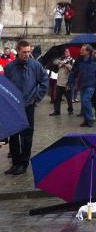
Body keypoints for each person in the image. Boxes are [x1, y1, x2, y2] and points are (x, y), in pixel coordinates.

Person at [4, 40, 49, 175]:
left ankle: (23, 163)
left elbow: (44, 81)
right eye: (24, 52)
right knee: (13, 135)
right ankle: (16, 163)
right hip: (13, 106)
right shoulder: (9, 67)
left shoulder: (35, 65)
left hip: (29, 105)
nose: (27, 54)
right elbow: (5, 85)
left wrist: (37, 97)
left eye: (29, 51)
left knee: (26, 136)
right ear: (17, 51)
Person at [50, 48, 74, 115]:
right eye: (65, 51)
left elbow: (72, 68)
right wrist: (61, 62)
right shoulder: (62, 58)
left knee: (69, 98)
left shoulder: (72, 60)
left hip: (67, 82)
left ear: (70, 52)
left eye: (67, 51)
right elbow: (54, 62)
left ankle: (70, 110)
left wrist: (65, 64)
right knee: (57, 98)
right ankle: (57, 111)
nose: (65, 52)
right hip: (59, 82)